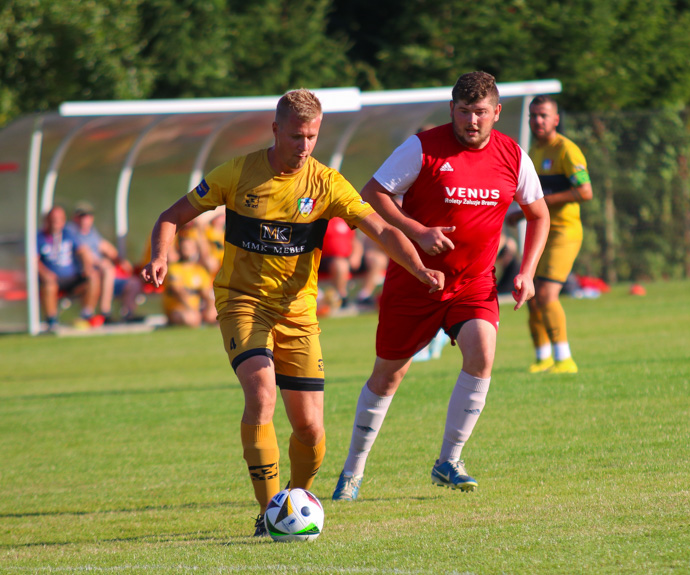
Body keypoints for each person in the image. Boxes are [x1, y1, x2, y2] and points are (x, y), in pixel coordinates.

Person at [140, 88, 443, 537]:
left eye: (313, 137)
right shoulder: (239, 172)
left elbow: (379, 228)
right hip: (242, 302)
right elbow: (170, 215)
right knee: (261, 395)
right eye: (297, 136)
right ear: (276, 129)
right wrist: (160, 255)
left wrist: (419, 266)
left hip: (299, 315)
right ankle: (268, 516)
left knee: (310, 429)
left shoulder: (327, 184)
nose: (305, 147)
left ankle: (296, 502)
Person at [332, 71, 550, 501]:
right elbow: (371, 194)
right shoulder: (421, 147)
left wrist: (526, 271)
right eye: (465, 112)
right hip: (416, 282)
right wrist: (418, 230)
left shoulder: (513, 155)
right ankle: (352, 472)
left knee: (483, 351)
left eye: (481, 113)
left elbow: (539, 214)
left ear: (497, 113)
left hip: (473, 285)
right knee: (388, 376)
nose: (472, 121)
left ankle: (449, 460)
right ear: (452, 109)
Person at [507, 95, 593, 374]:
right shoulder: (534, 152)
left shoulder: (567, 150)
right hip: (540, 232)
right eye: (533, 116)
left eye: (543, 115)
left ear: (556, 119)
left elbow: (584, 191)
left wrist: (535, 208)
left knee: (545, 293)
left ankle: (565, 359)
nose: (537, 121)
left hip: (564, 233)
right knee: (529, 293)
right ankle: (543, 357)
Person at [69, 201, 134, 324]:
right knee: (106, 269)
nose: (85, 219)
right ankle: (104, 312)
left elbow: (105, 247)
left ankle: (128, 315)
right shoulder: (71, 231)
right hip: (81, 275)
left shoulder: (91, 232)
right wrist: (101, 262)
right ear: (75, 218)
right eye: (81, 216)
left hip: (99, 273)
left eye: (88, 216)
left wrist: (121, 261)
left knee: (133, 282)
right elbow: (84, 252)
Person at [36, 206, 100, 332]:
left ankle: (86, 315)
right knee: (49, 285)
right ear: (47, 220)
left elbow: (82, 251)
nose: (56, 223)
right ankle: (51, 319)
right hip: (52, 279)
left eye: (59, 219)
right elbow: (33, 260)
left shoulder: (68, 234)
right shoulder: (39, 237)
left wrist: (87, 267)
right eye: (53, 219)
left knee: (93, 277)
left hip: (71, 278)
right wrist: (45, 273)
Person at [162, 233, 217, 327]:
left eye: (190, 248)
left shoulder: (200, 270)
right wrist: (191, 309)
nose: (187, 251)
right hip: (178, 308)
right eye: (185, 248)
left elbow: (206, 293)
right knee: (190, 318)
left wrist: (210, 307)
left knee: (215, 314)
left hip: (197, 309)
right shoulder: (174, 268)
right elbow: (178, 291)